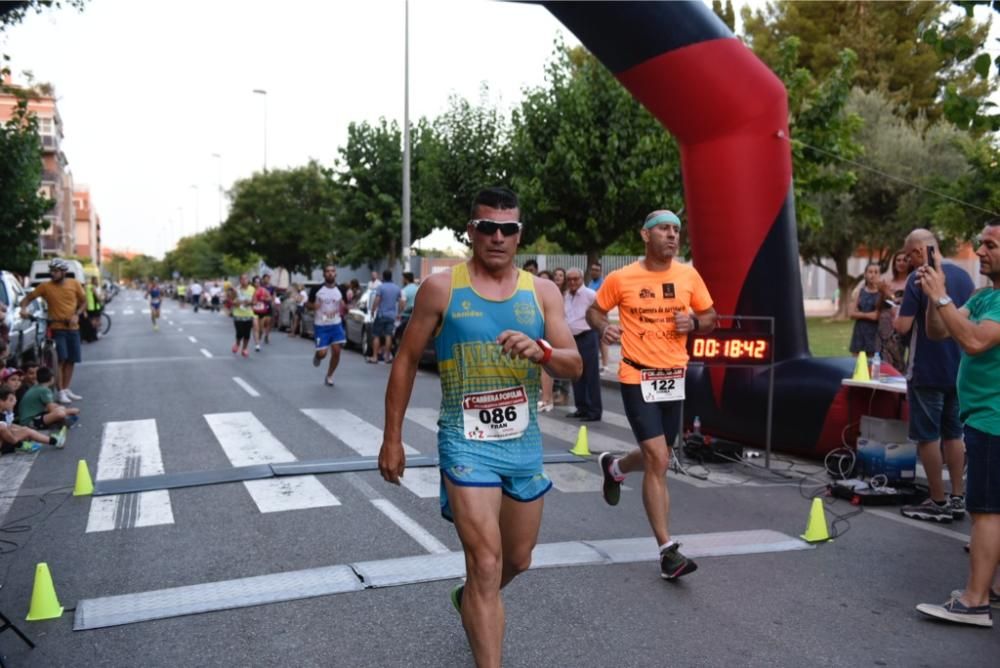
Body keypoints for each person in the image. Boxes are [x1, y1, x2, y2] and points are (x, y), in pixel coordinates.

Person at [379, 186, 581, 668]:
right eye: (486, 227)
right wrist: (392, 438)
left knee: (517, 560)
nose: (496, 236)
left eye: (507, 229)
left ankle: (470, 598)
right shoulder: (442, 288)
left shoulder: (543, 291)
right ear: (471, 231)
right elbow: (405, 361)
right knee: (486, 563)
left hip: (523, 445)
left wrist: (545, 352)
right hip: (465, 441)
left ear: (519, 235)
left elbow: (574, 366)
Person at [586, 209, 717, 580]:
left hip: (674, 377)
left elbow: (711, 317)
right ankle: (666, 551)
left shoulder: (688, 275)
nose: (672, 236)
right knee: (658, 457)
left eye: (676, 230)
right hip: (636, 375)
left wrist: (693, 322)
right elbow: (596, 311)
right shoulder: (622, 277)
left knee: (658, 455)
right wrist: (603, 329)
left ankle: (614, 467)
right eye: (664, 229)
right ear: (645, 235)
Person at [915, 220, 1000, 628]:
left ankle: (974, 602)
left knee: (985, 511)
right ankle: (992, 587)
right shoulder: (985, 296)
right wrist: (936, 293)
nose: (981, 252)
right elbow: (937, 331)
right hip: (983, 417)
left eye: (991, 245)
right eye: (981, 244)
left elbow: (974, 342)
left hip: (993, 419)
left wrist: (943, 296)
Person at [895, 229, 975, 523]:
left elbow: (903, 327)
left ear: (918, 252)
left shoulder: (920, 278)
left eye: (908, 256)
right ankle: (958, 496)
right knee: (954, 433)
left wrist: (897, 311)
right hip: (958, 368)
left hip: (926, 369)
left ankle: (937, 499)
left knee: (928, 436)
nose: (909, 262)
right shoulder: (966, 277)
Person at [19, 258, 86, 405]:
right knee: (61, 359)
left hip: (73, 328)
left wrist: (77, 314)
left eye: (56, 271)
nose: (53, 274)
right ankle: (60, 391)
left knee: (72, 360)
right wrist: (23, 309)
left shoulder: (74, 284)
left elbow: (83, 301)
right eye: (52, 271)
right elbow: (27, 299)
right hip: (57, 327)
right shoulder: (45, 286)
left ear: (64, 272)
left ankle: (67, 388)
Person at [564, 267, 602, 421]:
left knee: (591, 374)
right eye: (570, 280)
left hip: (588, 336)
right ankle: (581, 407)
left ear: (581, 279)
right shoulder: (566, 296)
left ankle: (594, 410)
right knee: (575, 373)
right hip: (572, 338)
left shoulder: (590, 294)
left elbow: (600, 312)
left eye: (576, 279)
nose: (573, 282)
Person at [307, 265, 347, 387]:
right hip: (321, 326)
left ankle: (330, 375)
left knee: (336, 351)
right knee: (322, 354)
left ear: (336, 274)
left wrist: (346, 307)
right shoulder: (316, 289)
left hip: (336, 324)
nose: (330, 273)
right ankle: (318, 355)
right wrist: (313, 306)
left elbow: (345, 304)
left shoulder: (341, 289)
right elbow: (308, 304)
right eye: (328, 271)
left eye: (332, 271)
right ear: (324, 274)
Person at [0, 384, 66, 454]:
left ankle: (52, 439)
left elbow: (9, 425)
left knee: (24, 430)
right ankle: (56, 441)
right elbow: (2, 428)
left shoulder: (4, 413)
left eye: (14, 399)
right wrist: (18, 443)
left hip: (4, 442)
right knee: (26, 431)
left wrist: (21, 429)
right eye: (11, 400)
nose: (14, 402)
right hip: (3, 445)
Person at [877, 250, 910, 372]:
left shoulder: (910, 282)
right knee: (883, 357)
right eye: (898, 260)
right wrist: (881, 292)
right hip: (884, 325)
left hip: (899, 324)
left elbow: (902, 303)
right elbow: (879, 306)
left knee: (897, 357)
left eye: (904, 260)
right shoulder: (889, 282)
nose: (901, 263)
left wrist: (888, 293)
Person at [368, 270, 402, 364]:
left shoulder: (381, 287)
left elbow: (377, 299)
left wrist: (372, 311)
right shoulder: (397, 288)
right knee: (388, 335)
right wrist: (399, 313)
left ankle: (375, 357)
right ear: (391, 277)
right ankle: (387, 357)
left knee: (376, 335)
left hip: (381, 314)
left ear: (383, 277)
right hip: (392, 316)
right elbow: (401, 301)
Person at [848, 263, 881, 357]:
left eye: (876, 272)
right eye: (870, 272)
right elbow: (851, 313)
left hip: (875, 334)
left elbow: (877, 316)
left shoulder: (882, 293)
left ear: (879, 275)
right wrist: (869, 315)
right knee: (856, 365)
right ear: (865, 274)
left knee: (873, 365)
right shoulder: (859, 291)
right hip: (859, 333)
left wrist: (859, 313)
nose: (873, 275)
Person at [586, 261, 610, 372]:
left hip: (601, 316)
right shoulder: (591, 283)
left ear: (600, 271)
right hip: (592, 316)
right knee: (597, 342)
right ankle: (599, 364)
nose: (594, 272)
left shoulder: (603, 283)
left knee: (603, 341)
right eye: (593, 270)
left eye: (597, 270)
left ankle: (605, 366)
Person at [232, 274, 255, 358]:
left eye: (246, 279)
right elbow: (232, 301)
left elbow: (254, 301)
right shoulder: (236, 290)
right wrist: (238, 303)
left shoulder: (252, 289)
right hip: (238, 314)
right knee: (239, 332)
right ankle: (237, 344)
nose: (244, 281)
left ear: (248, 280)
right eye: (242, 279)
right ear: (240, 280)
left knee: (247, 334)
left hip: (248, 314)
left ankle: (245, 348)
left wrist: (248, 302)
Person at [251, 275, 271, 351]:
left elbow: (269, 298)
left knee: (261, 330)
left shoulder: (264, 290)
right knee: (255, 327)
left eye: (259, 282)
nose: (257, 283)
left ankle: (258, 339)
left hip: (262, 311)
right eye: (256, 282)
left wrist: (264, 298)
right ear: (253, 283)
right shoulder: (251, 290)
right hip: (253, 311)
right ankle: (257, 344)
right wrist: (252, 302)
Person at [260, 273, 276, 343]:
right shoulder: (261, 287)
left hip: (269, 306)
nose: (267, 280)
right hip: (261, 306)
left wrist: (273, 302)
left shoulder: (272, 287)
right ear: (263, 279)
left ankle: (266, 335)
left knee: (268, 322)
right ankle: (260, 332)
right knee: (262, 322)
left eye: (268, 278)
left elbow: (273, 296)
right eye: (265, 278)